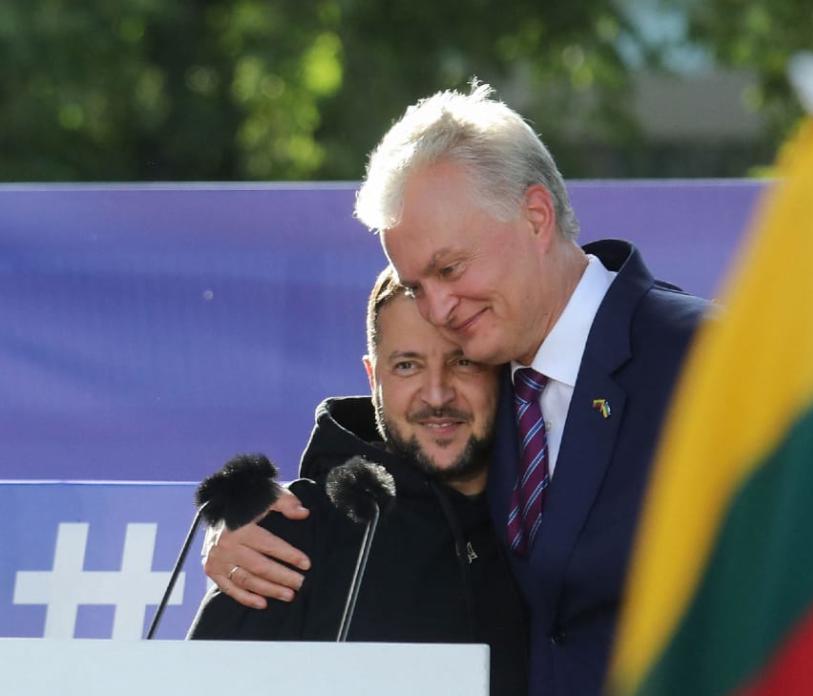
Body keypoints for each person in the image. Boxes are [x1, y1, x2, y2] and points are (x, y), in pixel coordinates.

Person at [204, 81, 711, 695]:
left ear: (535, 217)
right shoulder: (497, 390)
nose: (439, 308)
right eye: (416, 285)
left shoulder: (708, 359)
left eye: (450, 268)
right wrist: (254, 529)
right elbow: (402, 461)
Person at [189, 266, 529, 696]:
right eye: (408, 366)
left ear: (502, 368)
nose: (438, 394)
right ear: (373, 379)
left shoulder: (556, 517)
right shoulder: (292, 535)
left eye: (463, 362)